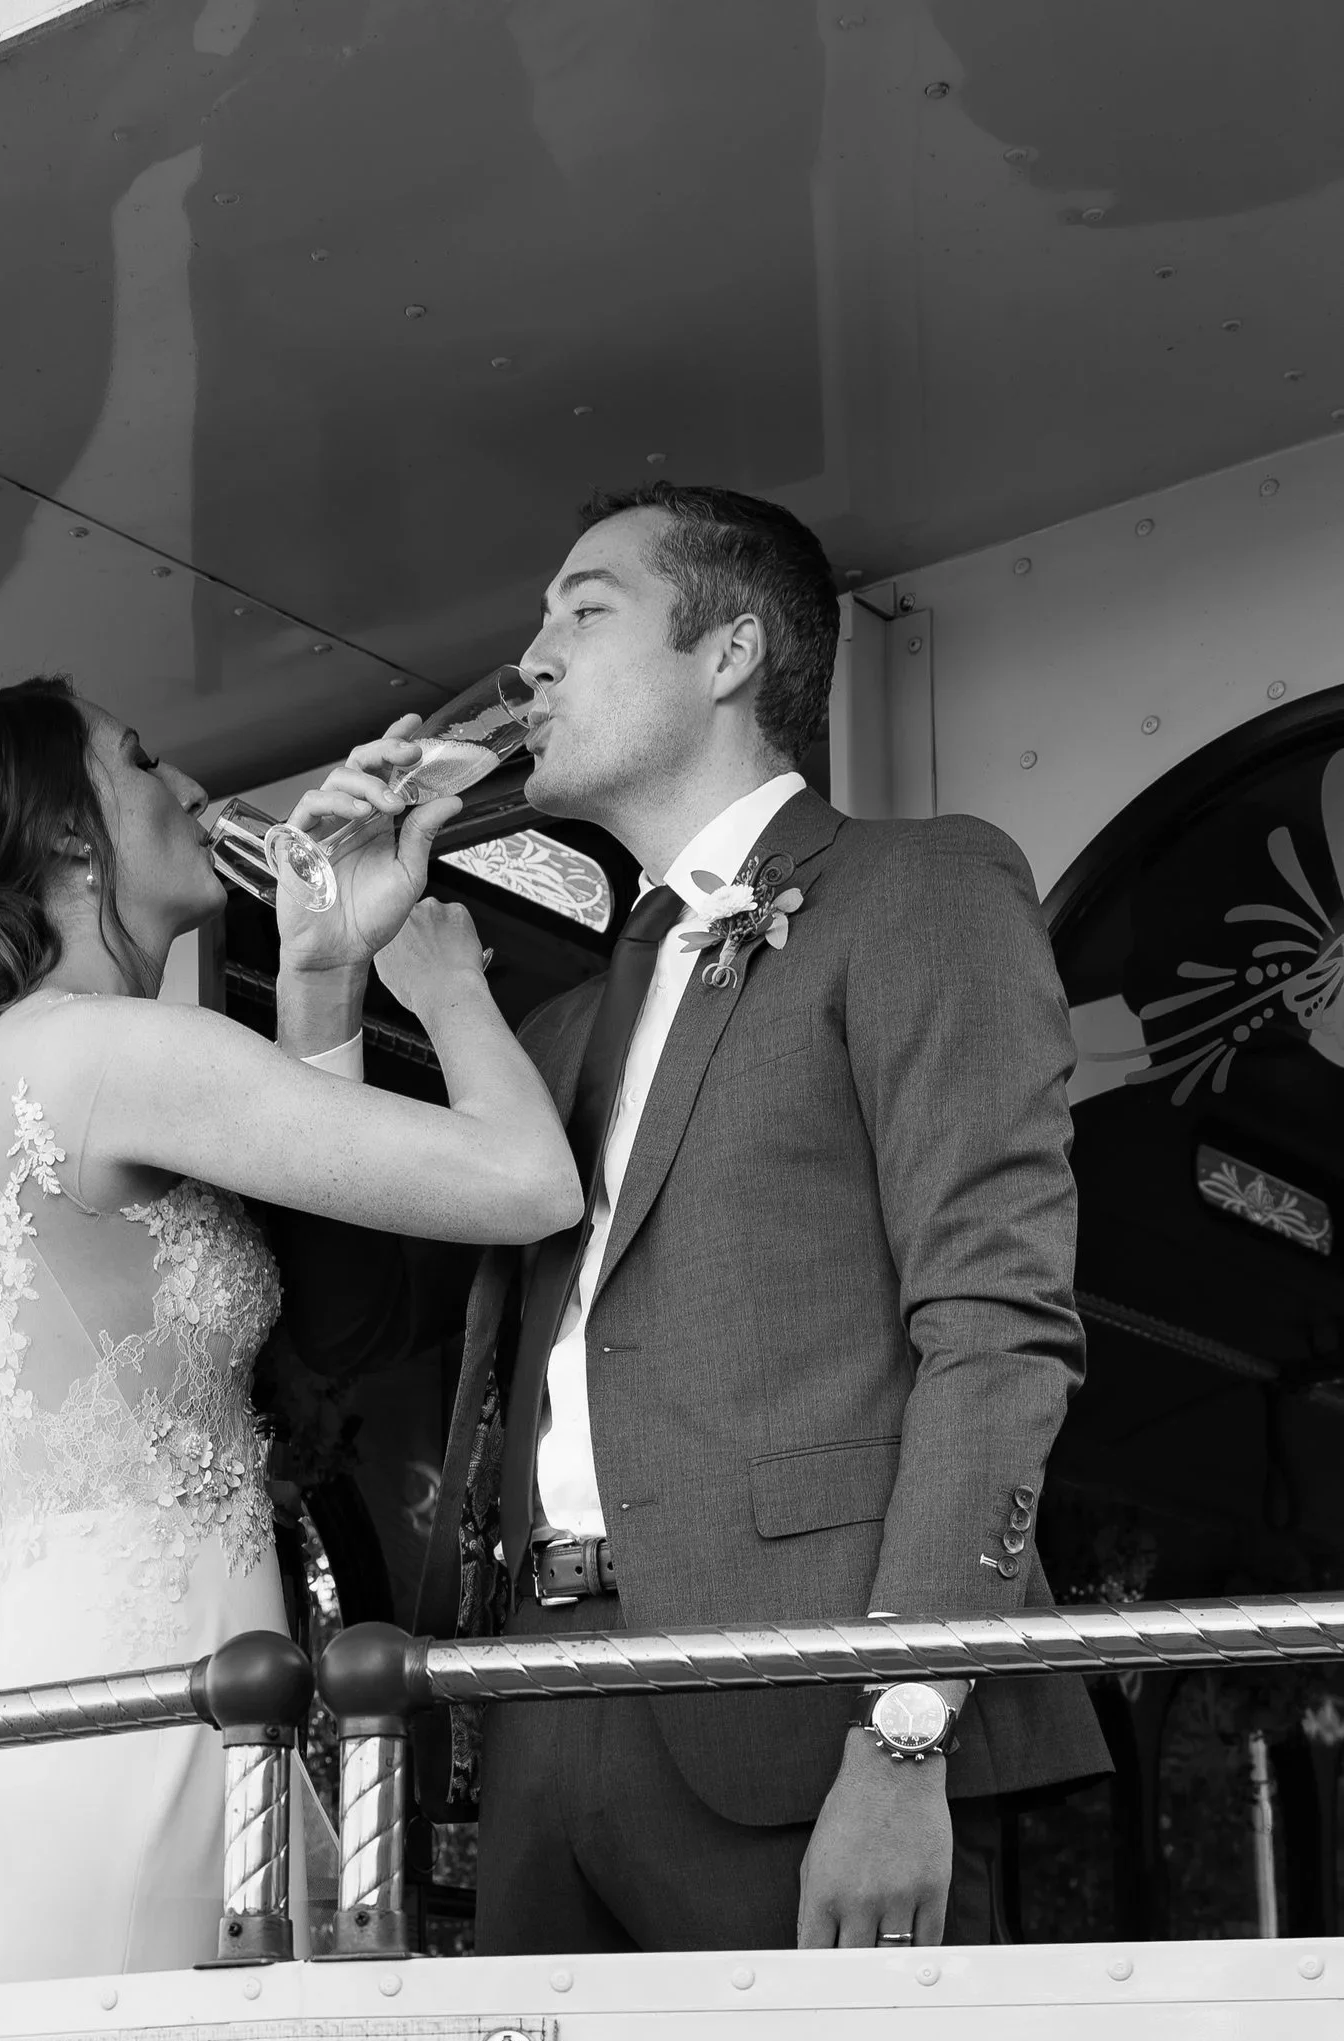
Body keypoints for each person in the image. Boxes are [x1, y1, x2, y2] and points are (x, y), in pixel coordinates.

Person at [0, 679, 580, 2004]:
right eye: (142, 760)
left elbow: (340, 1320)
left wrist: (321, 969)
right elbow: (527, 1182)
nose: (194, 788)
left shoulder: (25, 1066)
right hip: (123, 1724)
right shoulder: (100, 1057)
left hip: (153, 1695)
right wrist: (441, 980)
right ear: (69, 839)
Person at [372, 482, 1108, 1952]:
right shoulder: (568, 1024)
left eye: (584, 612)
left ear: (729, 654)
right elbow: (357, 1344)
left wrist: (904, 1730)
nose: (534, 660)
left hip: (806, 1717)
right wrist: (334, 966)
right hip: (534, 1712)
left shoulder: (923, 888)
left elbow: (997, 1321)